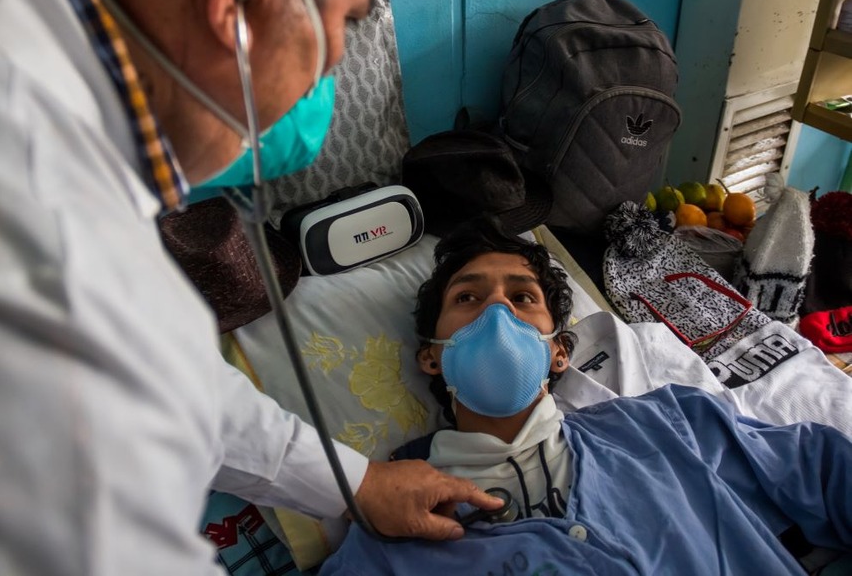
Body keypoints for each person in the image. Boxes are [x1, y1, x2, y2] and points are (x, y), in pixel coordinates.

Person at [0, 0, 502, 574]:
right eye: (347, 22)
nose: (332, 67)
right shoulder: (32, 233)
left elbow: (159, 359)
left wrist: (353, 482)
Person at [320, 218, 852, 575]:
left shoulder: (671, 423)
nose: (496, 312)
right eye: (468, 297)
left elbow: (823, 471)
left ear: (558, 353)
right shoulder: (385, 535)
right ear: (431, 356)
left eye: (522, 297)